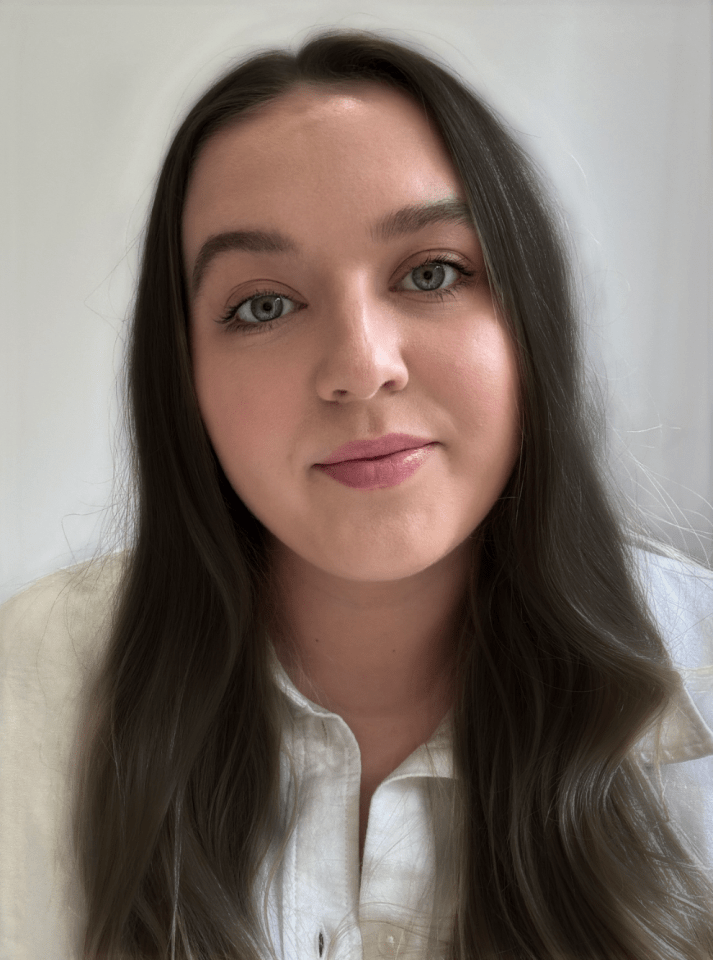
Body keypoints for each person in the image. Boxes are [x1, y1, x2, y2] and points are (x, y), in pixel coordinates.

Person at [1, 27, 712, 960]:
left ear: (529, 323)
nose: (359, 367)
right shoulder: (30, 691)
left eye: (432, 273)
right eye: (263, 303)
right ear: (183, 378)